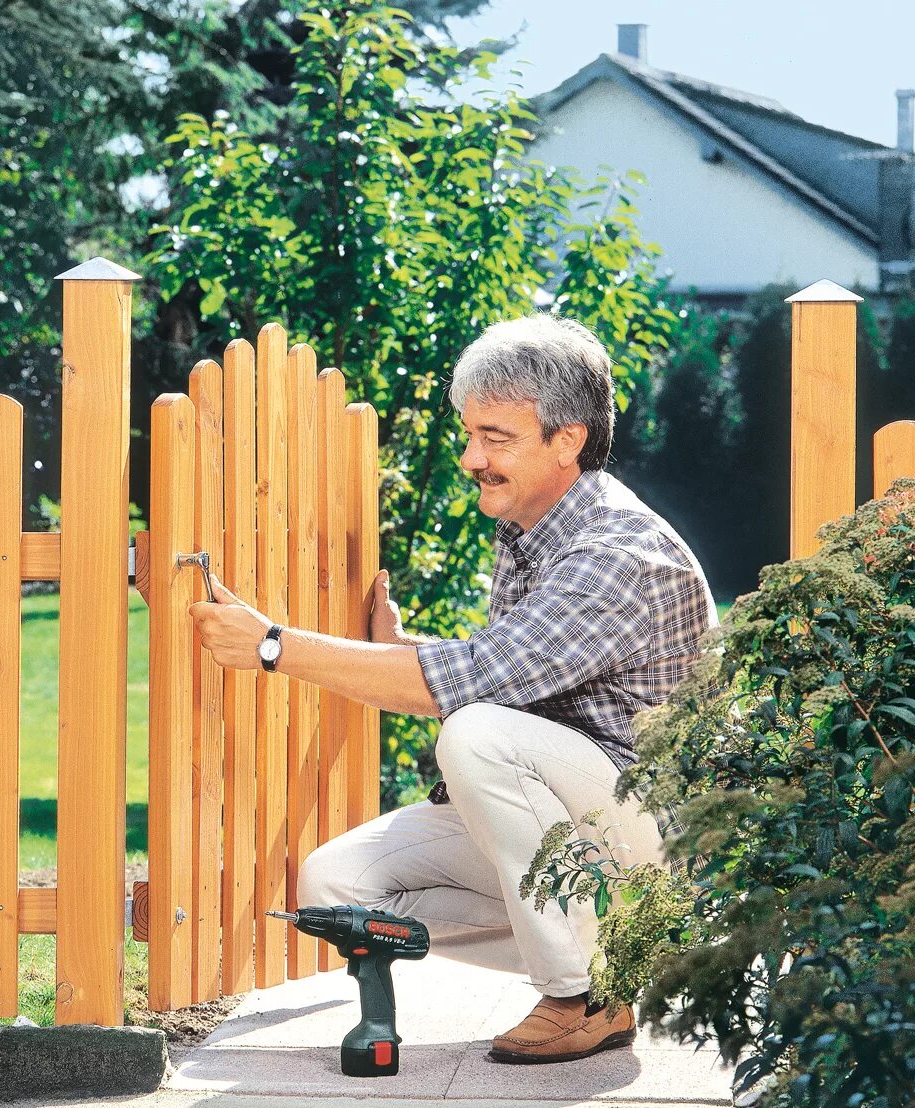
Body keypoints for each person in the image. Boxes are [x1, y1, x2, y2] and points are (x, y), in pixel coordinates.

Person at [187, 314, 716, 1065]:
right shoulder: (535, 529)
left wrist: (272, 645)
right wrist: (404, 653)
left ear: (567, 441)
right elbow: (515, 664)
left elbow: (468, 690)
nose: (473, 457)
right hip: (587, 830)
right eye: (470, 434)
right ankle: (610, 955)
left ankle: (583, 993)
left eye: (496, 438)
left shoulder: (616, 554)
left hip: (650, 836)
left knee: (475, 735)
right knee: (339, 883)